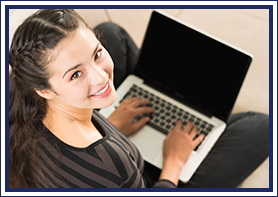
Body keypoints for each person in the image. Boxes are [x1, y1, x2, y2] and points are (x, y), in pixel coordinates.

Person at [9, 9, 269, 188]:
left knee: (113, 32)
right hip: (148, 179)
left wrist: (111, 124)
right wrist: (173, 161)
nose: (101, 78)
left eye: (97, 53)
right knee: (261, 128)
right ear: (45, 90)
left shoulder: (17, 91)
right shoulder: (115, 163)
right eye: (76, 74)